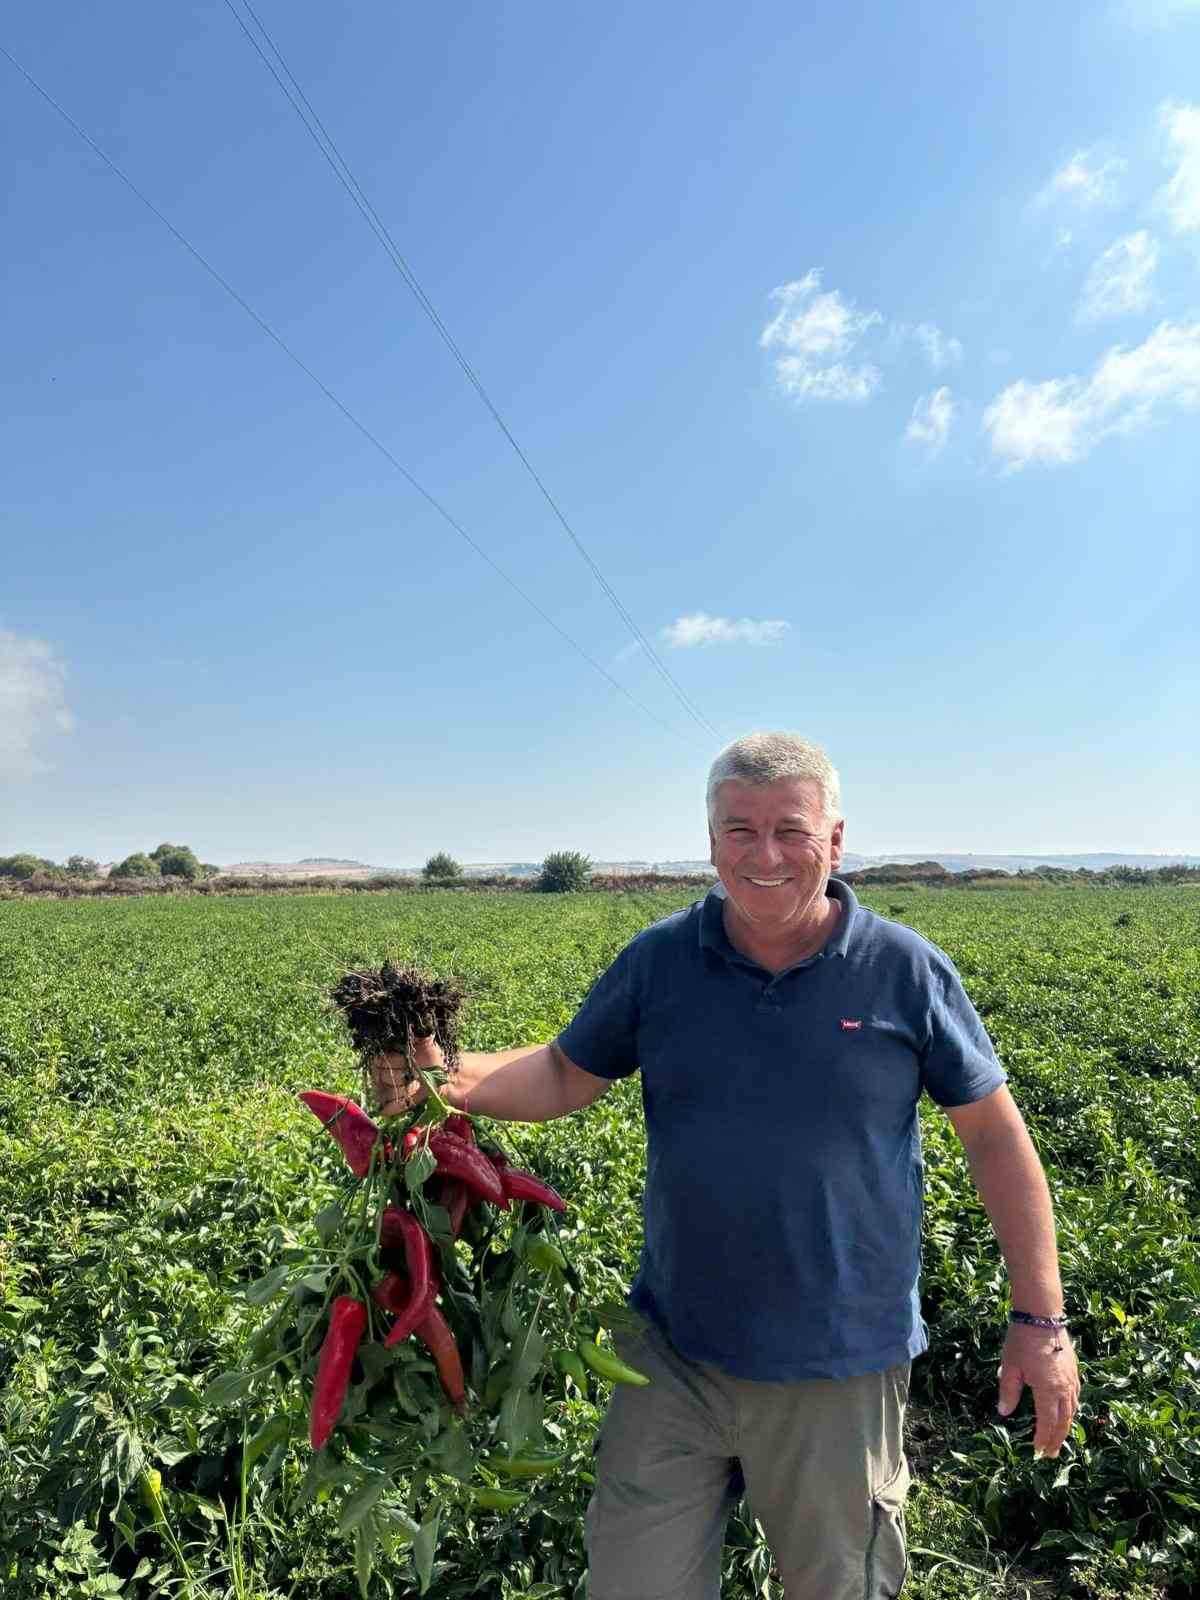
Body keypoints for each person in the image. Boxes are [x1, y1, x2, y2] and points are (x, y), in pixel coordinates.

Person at [375, 731, 1080, 1600]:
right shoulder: (660, 961)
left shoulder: (903, 972)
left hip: (838, 1364)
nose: (766, 855)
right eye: (739, 830)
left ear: (835, 839)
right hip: (673, 1353)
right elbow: (563, 1071)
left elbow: (995, 1140)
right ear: (711, 842)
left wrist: (1040, 1320)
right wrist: (442, 1077)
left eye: (791, 829)